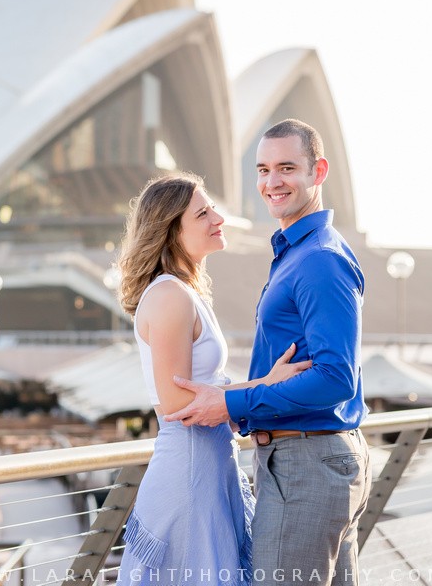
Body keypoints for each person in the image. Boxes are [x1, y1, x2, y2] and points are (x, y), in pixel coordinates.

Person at [165, 120, 372, 586]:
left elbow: (336, 378)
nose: (271, 182)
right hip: (310, 463)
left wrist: (230, 403)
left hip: (307, 468)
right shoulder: (297, 252)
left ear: (317, 171)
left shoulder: (319, 258)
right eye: (262, 169)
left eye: (286, 168)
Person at [116, 172, 311, 586]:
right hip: (189, 475)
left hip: (207, 466)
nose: (218, 217)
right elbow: (176, 404)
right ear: (172, 231)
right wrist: (266, 384)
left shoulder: (184, 292)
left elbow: (202, 385)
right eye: (203, 213)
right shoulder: (169, 296)